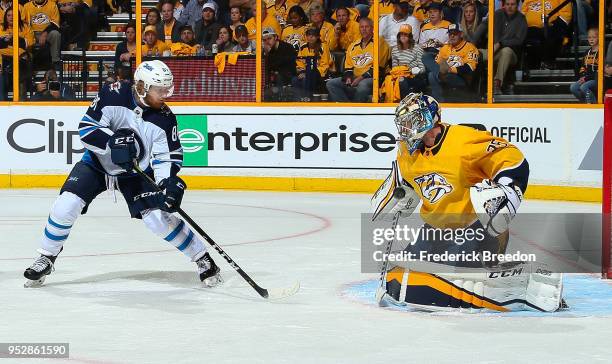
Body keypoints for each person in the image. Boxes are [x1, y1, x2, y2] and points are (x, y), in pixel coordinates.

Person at [23, 60, 222, 288]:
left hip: (136, 173)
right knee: (65, 205)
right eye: (160, 90)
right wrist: (112, 142)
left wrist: (167, 183)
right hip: (97, 163)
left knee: (158, 220)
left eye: (167, 88)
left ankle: (203, 259)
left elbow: (169, 157)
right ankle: (46, 257)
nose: (166, 94)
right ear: (141, 87)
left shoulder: (166, 119)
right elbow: (87, 129)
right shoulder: (112, 94)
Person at [373, 93, 563, 312]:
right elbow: (407, 179)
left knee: (440, 280)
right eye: (403, 124)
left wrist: (506, 189)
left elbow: (513, 159)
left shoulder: (464, 141)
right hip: (435, 231)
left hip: (477, 229)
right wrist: (403, 193)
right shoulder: (407, 150)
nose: (406, 130)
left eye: (411, 122)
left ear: (429, 118)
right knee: (400, 279)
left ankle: (522, 288)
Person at [326, 17, 377, 102]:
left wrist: (360, 78)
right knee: (332, 83)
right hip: (355, 76)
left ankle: (356, 111)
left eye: (367, 27)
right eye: (361, 27)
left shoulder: (379, 43)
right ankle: (345, 110)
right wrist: (348, 77)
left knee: (363, 85)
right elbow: (348, 66)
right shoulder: (353, 45)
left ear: (372, 28)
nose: (364, 29)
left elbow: (378, 68)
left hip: (372, 78)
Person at [427, 23, 479, 102]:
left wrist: (450, 70)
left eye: (455, 34)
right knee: (431, 73)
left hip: (461, 78)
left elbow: (470, 67)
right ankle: (438, 102)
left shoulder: (470, 47)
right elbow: (437, 63)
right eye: (450, 34)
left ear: (461, 34)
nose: (452, 36)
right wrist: (441, 69)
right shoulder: (445, 48)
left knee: (445, 75)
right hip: (444, 74)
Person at [522, 0, 572, 69]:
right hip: (530, 28)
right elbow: (523, 12)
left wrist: (554, 25)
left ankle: (546, 62)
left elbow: (566, 14)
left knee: (551, 34)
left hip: (552, 26)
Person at [493, 0, 526, 95]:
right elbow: (483, 26)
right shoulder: (497, 14)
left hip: (512, 54)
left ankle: (497, 84)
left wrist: (501, 43)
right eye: (507, 4)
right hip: (494, 52)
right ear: (504, 5)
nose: (510, 7)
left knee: (506, 51)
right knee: (478, 53)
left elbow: (519, 40)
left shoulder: (521, 18)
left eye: (512, 4)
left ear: (517, 6)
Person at [292, 27, 331, 100]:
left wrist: (309, 73)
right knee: (295, 79)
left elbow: (325, 65)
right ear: (306, 36)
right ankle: (298, 100)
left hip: (321, 74)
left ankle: (307, 99)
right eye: (309, 35)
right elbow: (299, 62)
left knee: (306, 79)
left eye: (313, 35)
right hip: (306, 72)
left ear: (318, 37)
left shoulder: (323, 47)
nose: (311, 37)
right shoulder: (303, 47)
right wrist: (302, 72)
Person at [22, 0, 62, 68]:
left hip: (47, 33)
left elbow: (55, 23)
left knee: (55, 34)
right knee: (24, 38)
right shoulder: (26, 6)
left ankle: (55, 61)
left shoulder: (52, 5)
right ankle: (27, 63)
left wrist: (44, 33)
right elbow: (23, 23)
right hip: (31, 33)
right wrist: (29, 34)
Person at [391, 24, 426, 97]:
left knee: (402, 81)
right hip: (399, 75)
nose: (403, 36)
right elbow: (394, 68)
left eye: (405, 34)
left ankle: (406, 102)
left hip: (414, 76)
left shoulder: (417, 48)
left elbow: (422, 68)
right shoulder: (394, 50)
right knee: (392, 81)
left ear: (410, 36)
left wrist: (417, 71)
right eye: (401, 34)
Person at [262, 26, 297, 100]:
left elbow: (288, 65)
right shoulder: (266, 50)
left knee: (278, 76)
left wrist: (269, 54)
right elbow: (267, 67)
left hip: (289, 74)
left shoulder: (287, 47)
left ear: (275, 37)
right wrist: (266, 54)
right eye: (264, 40)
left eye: (269, 38)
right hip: (276, 75)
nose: (267, 42)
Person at [570, 28, 598, 104]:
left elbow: (599, 71)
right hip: (586, 78)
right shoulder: (586, 52)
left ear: (599, 38)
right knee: (573, 87)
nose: (591, 39)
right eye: (589, 37)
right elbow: (583, 67)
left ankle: (594, 103)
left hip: (596, 79)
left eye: (594, 37)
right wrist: (582, 76)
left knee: (584, 87)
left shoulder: (601, 52)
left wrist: (586, 78)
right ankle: (585, 103)